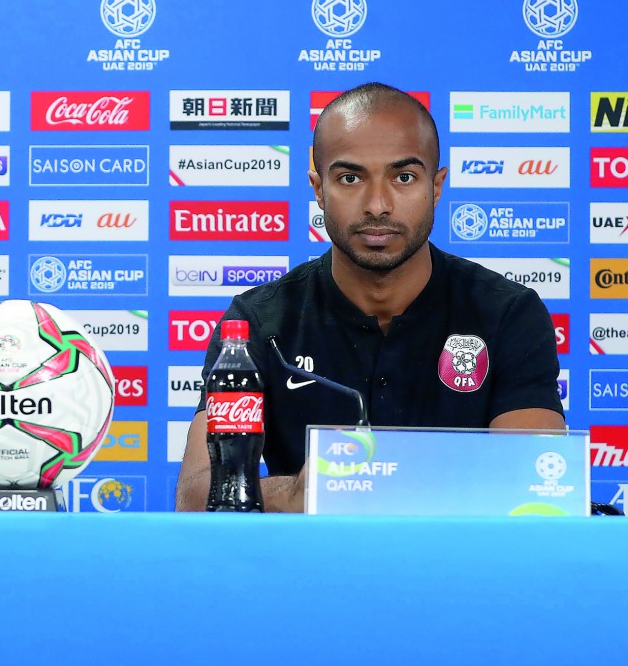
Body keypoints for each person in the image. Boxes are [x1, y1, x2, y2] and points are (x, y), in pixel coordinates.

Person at [175, 82, 565, 513]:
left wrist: (370, 485)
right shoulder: (257, 323)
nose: (377, 204)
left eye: (403, 177)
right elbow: (194, 496)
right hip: (310, 557)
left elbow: (535, 485)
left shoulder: (507, 314)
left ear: (436, 187)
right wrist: (294, 493)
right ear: (318, 188)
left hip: (457, 555)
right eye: (350, 178)